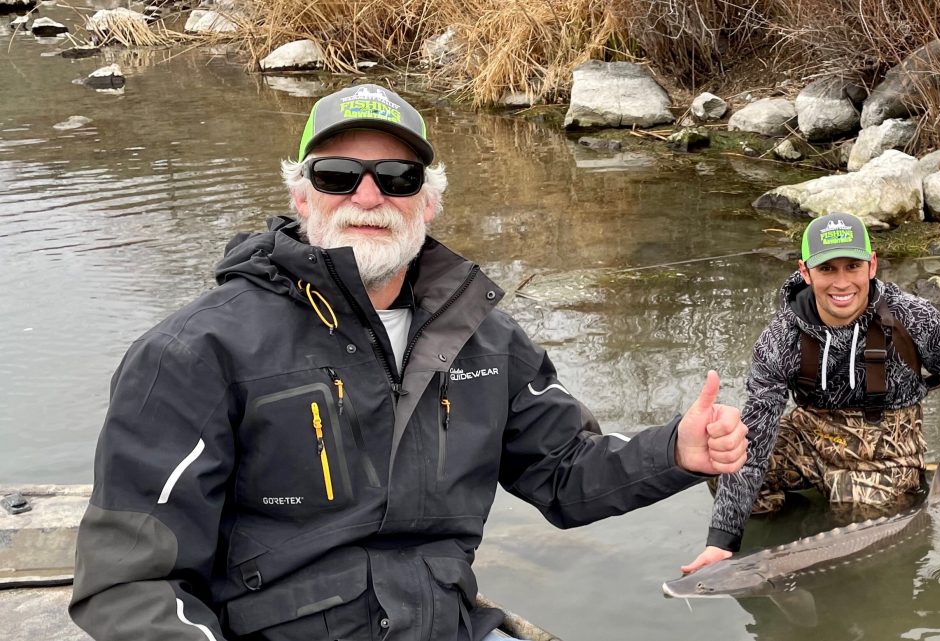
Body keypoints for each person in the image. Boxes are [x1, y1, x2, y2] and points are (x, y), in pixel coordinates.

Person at [68, 84, 748, 641]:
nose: (369, 198)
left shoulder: (489, 340)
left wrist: (678, 451)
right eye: (338, 176)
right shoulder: (193, 353)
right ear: (301, 197)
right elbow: (131, 584)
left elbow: (567, 474)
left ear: (429, 200)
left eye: (397, 177)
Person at [682, 212, 940, 573]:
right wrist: (721, 540)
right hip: (811, 436)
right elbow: (755, 437)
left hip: (884, 449)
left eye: (852, 266)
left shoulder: (912, 317)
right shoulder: (779, 339)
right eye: (827, 270)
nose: (841, 283)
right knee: (720, 463)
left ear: (871, 265)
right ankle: (778, 553)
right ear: (805, 272)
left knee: (859, 537)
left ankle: (901, 498)